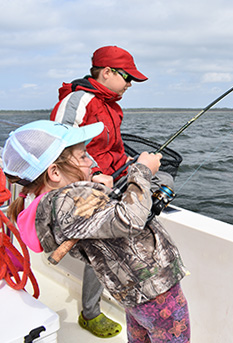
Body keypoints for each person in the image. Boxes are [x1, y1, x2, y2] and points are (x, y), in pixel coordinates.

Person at [3, 120, 190, 342]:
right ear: (54, 172)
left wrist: (103, 191)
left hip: (135, 291)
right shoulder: (68, 200)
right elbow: (130, 219)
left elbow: (101, 223)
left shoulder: (55, 202)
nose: (90, 160)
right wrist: (142, 171)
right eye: (82, 156)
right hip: (155, 290)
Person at [49, 45, 174, 337]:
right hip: (89, 184)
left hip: (115, 176)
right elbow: (58, 145)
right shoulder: (77, 101)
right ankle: (90, 313)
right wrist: (92, 175)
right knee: (105, 243)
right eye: (127, 77)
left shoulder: (111, 104)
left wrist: (131, 163)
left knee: (165, 176)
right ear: (107, 72)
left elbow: (112, 148)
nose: (130, 84)